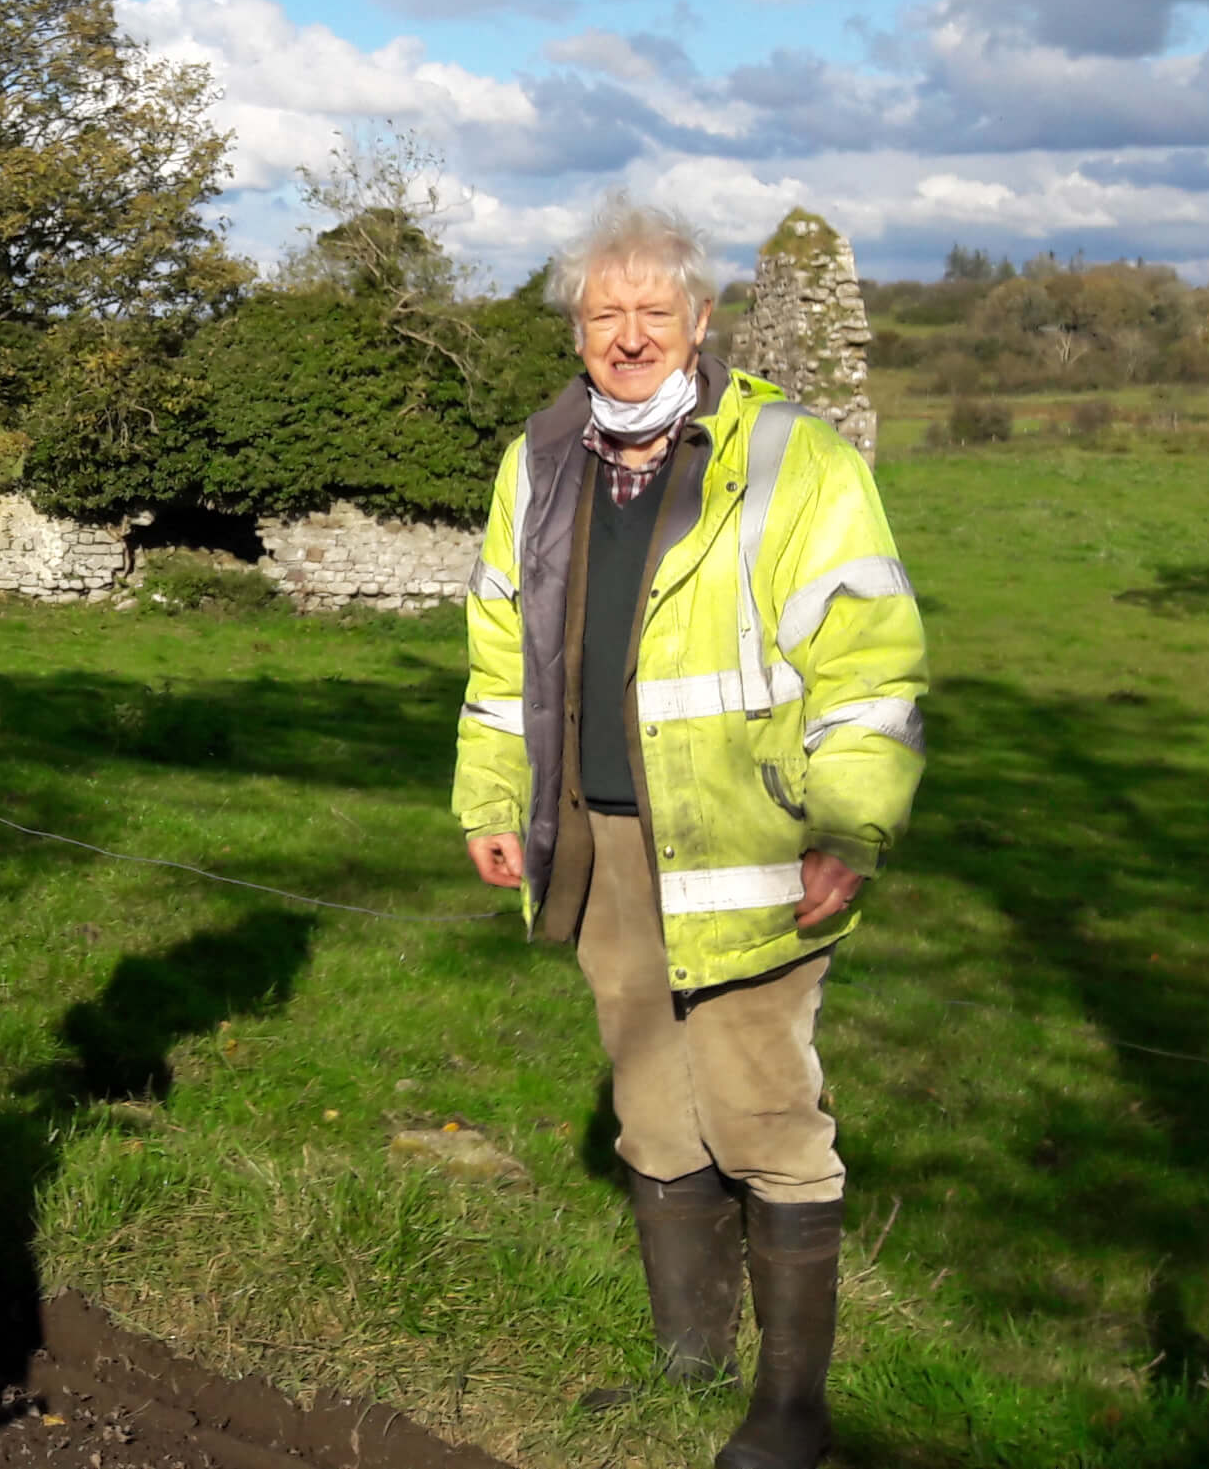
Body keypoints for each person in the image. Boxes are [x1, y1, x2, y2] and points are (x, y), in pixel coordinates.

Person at [451, 198, 926, 1469]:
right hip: (599, 836)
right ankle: (685, 1365)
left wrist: (850, 821)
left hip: (750, 836)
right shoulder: (539, 456)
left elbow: (870, 659)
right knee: (652, 1107)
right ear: (571, 327)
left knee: (763, 1109)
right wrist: (493, 799)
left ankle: (789, 1415)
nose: (626, 335)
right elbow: (504, 652)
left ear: (701, 320)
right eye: (602, 312)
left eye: (652, 311)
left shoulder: (793, 454)